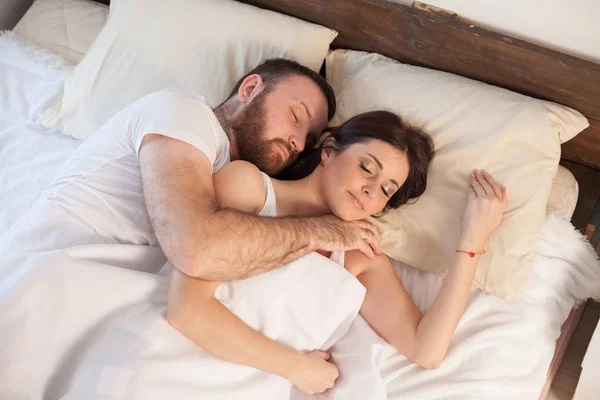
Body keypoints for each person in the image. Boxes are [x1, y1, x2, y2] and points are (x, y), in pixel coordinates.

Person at [166, 111, 508, 395]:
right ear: (328, 151)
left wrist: (471, 240)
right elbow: (187, 311)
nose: (371, 190)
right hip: (170, 364)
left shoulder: (363, 257)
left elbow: (426, 351)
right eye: (367, 168)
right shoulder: (249, 187)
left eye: (386, 190)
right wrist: (296, 368)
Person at [0, 58, 382, 277]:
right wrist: (320, 231)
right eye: (296, 115)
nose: (299, 141)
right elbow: (195, 248)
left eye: (309, 139)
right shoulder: (182, 112)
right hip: (39, 275)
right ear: (250, 89)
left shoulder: (239, 188)